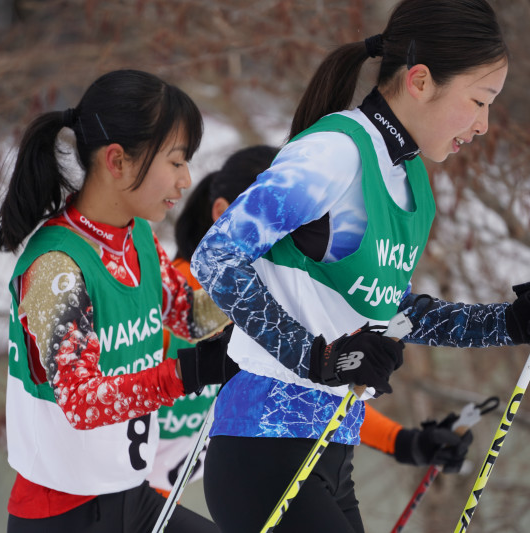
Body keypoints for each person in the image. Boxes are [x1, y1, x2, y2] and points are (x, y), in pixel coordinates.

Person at [191, 1, 530, 532]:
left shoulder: (410, 180)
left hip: (331, 450)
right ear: (420, 81)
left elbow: (388, 313)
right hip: (263, 448)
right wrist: (317, 357)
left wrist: (510, 322)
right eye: (478, 101)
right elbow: (217, 257)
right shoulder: (334, 152)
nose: (484, 125)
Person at [148, 145, 471, 497]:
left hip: (157, 500)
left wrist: (404, 442)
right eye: (281, 230)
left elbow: (317, 395)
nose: (292, 244)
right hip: (126, 498)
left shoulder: (282, 307)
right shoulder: (180, 303)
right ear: (224, 214)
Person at [0, 69, 235, 533]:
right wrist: (192, 372)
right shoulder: (55, 267)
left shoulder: (135, 236)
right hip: (64, 515)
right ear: (118, 161)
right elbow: (82, 401)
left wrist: (274, 299)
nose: (186, 179)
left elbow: (187, 314)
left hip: (132, 497)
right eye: (176, 161)